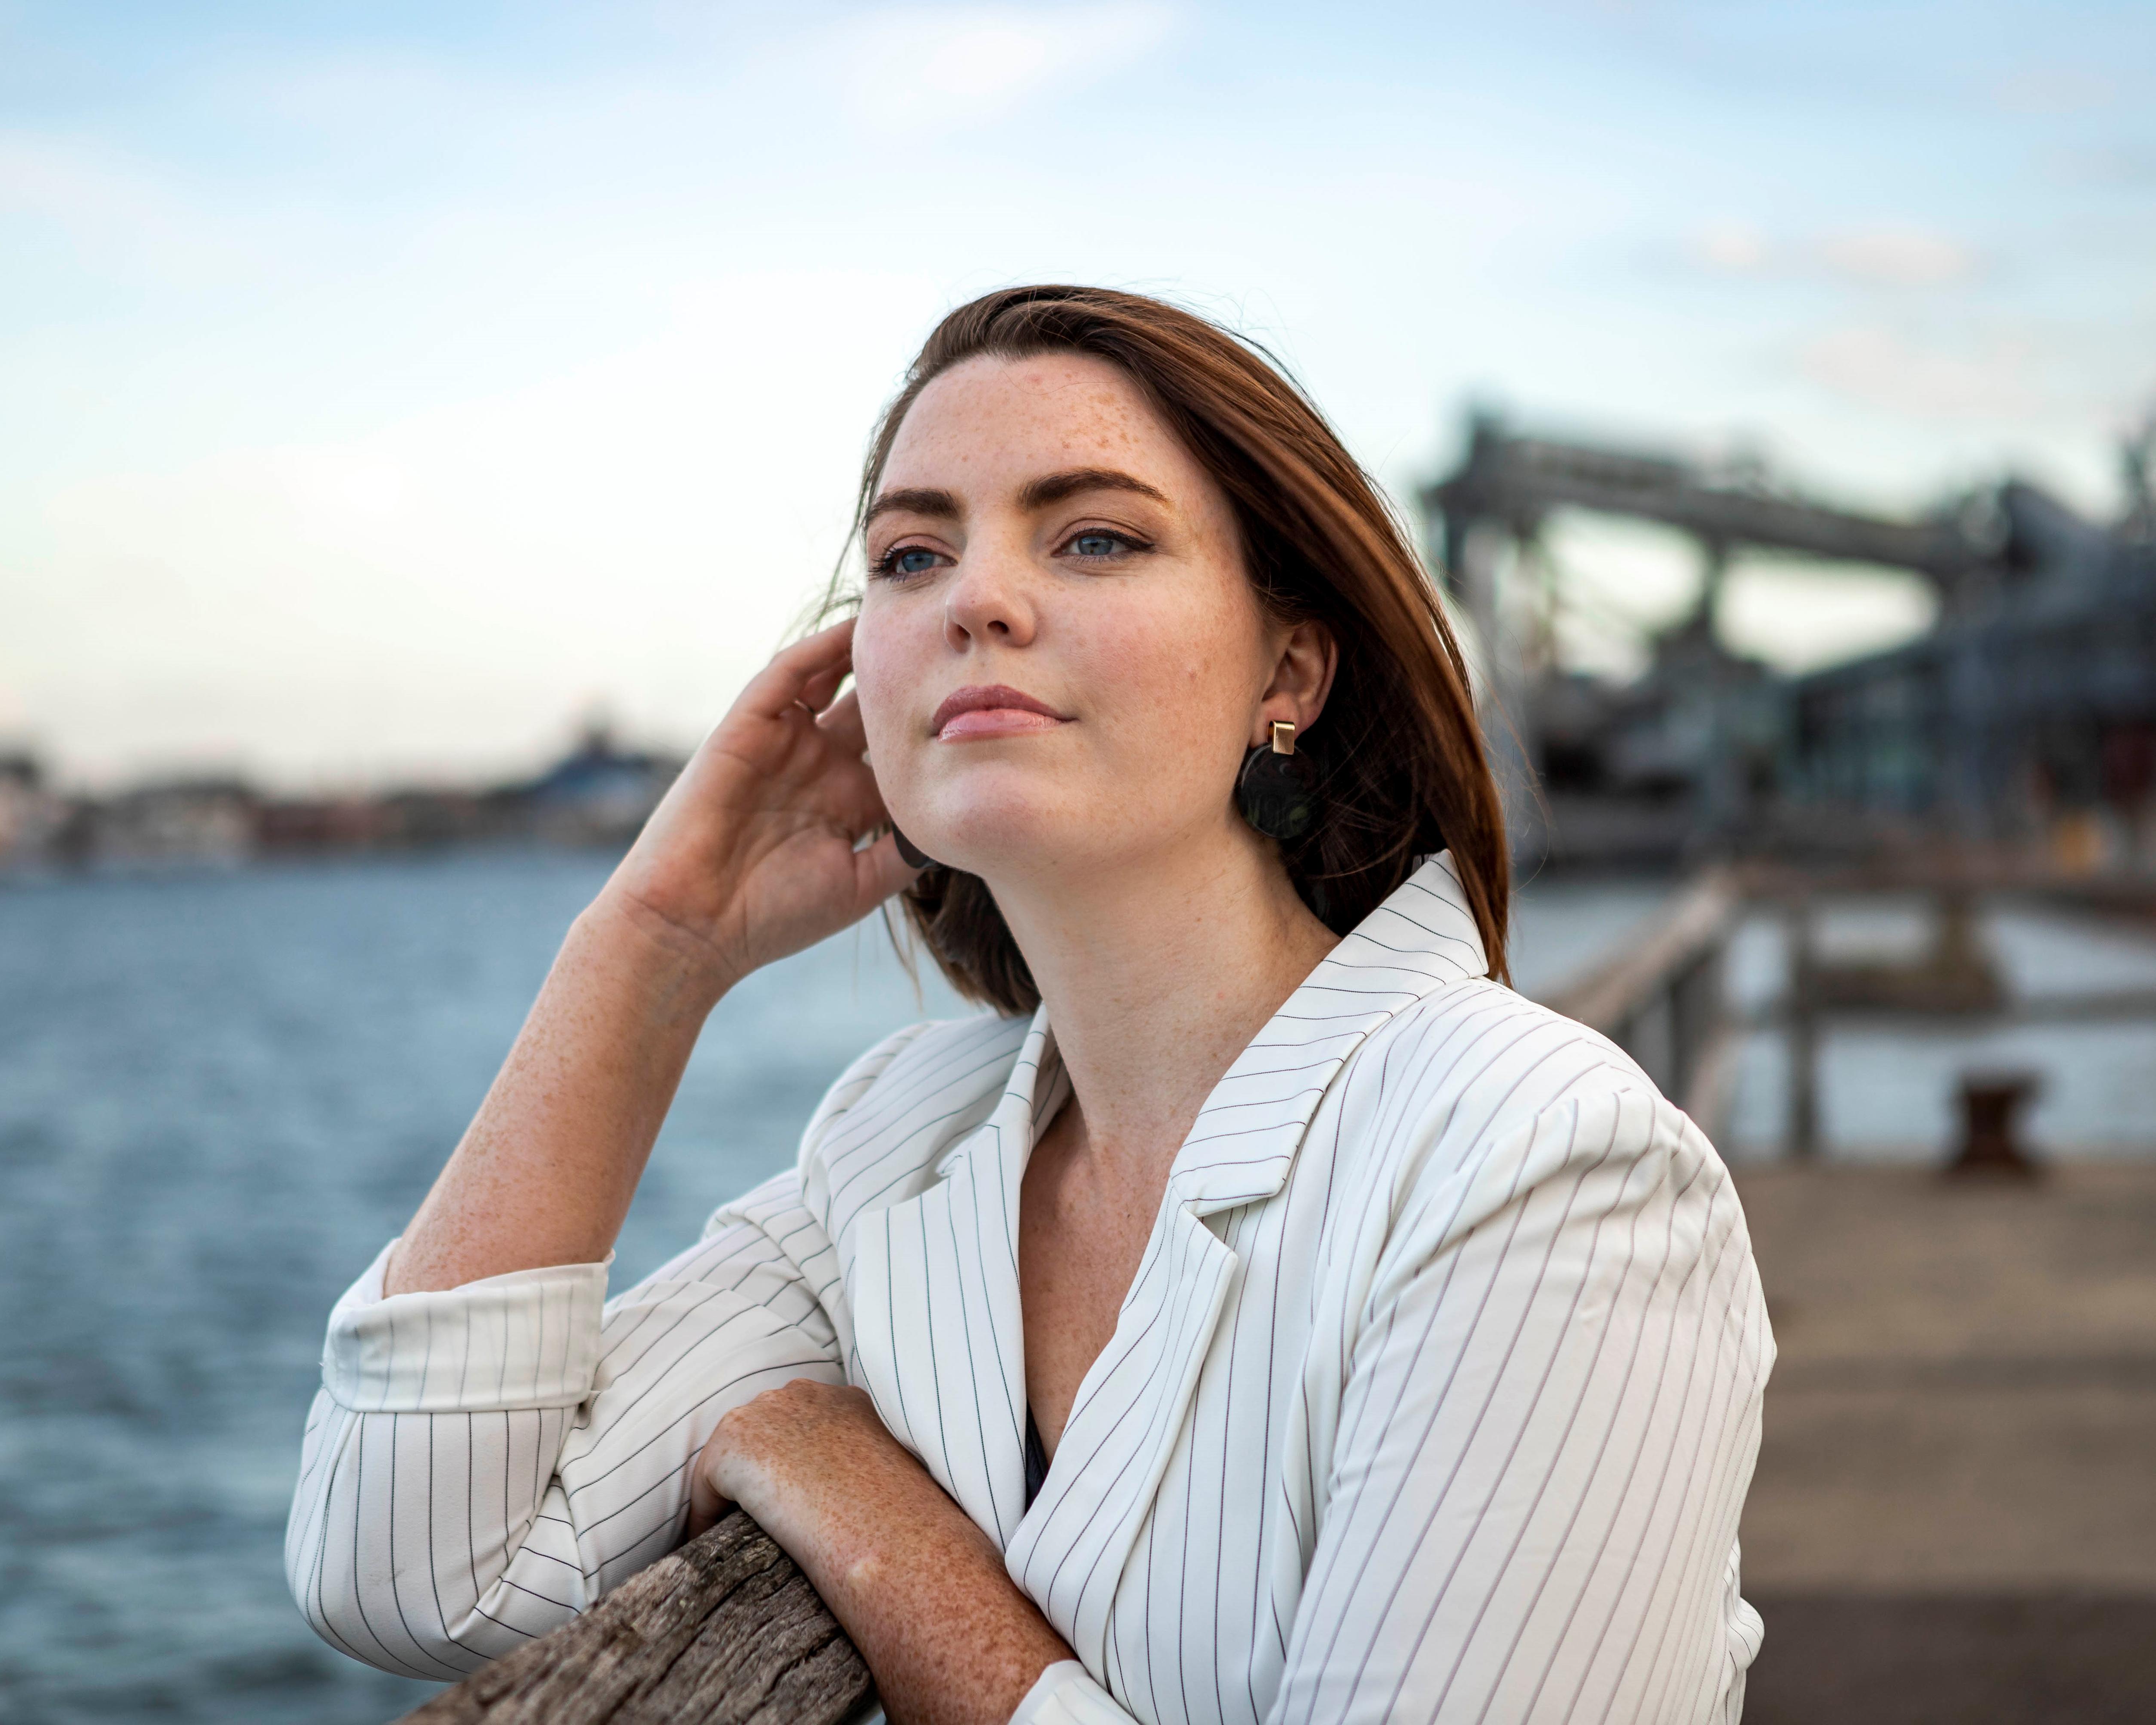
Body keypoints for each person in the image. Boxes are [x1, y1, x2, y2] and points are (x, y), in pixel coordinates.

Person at [286, 286, 1773, 1725]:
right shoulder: (901, 1146)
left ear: (1292, 669)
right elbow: (415, 1568)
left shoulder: (1540, 1162)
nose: (977, 599)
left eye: (1096, 537)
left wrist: (880, 1531)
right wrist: (654, 944)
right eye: (909, 557)